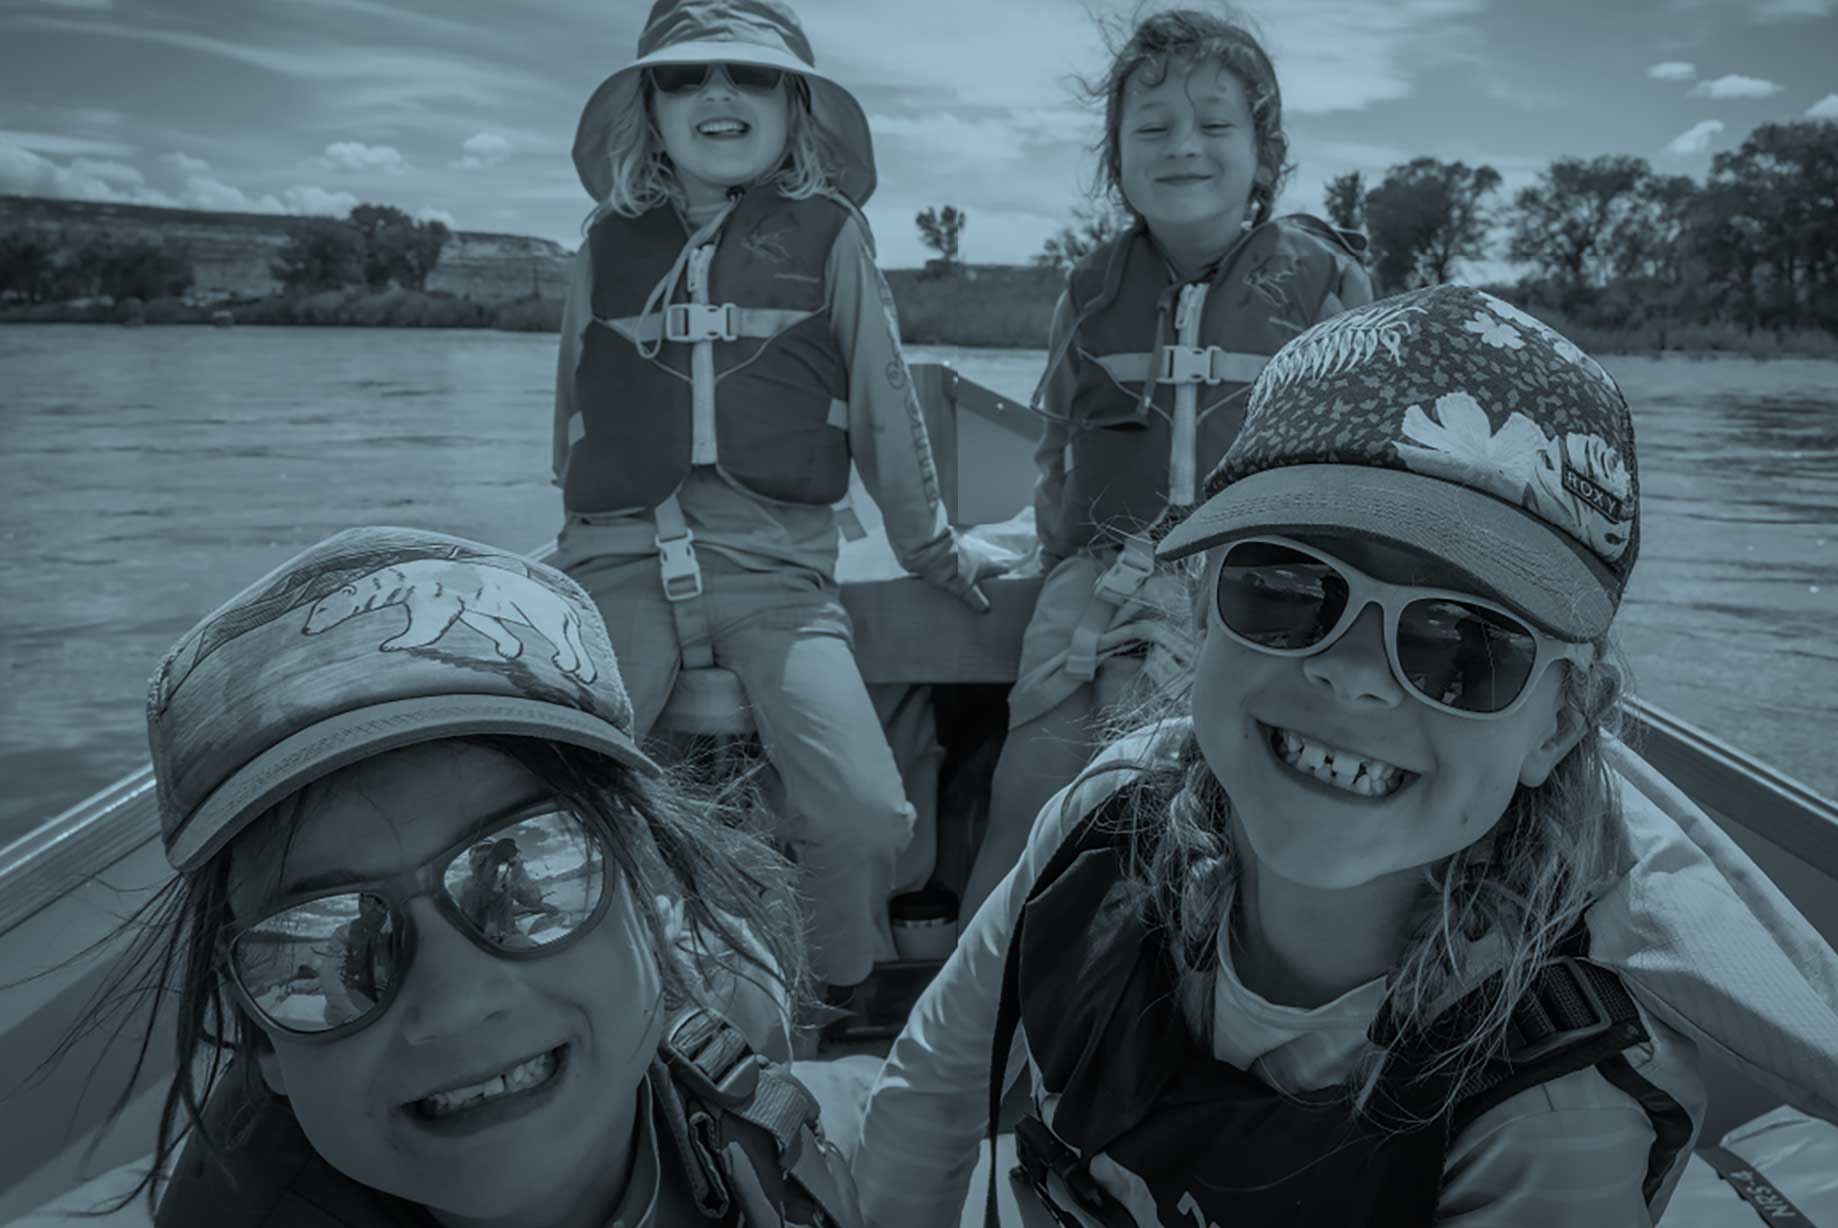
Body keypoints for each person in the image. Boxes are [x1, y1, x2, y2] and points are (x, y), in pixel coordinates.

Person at [853, 285, 1838, 1225]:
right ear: (1200, 611)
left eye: (1464, 645)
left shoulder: (1554, 1108)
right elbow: (931, 1097)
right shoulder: (1095, 821)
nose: (1356, 675)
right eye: (1284, 587)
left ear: (1557, 720)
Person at [84, 526, 862, 1227]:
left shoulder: (745, 1036)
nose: (454, 1004)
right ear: (260, 1043)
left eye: (531, 874)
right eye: (319, 944)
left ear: (653, 905)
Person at [554, 0, 1007, 997]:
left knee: (865, 816)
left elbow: (890, 413)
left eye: (749, 75)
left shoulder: (833, 236)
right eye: (686, 76)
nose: (718, 93)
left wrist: (937, 554)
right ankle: (627, 992)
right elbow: (574, 415)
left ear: (794, 106)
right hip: (620, 562)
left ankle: (823, 987)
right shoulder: (604, 244)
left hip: (778, 573)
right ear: (652, 107)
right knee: (563, 799)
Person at [959, 8, 1374, 923]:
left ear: (1264, 156)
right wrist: (1053, 552)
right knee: (1028, 786)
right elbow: (1055, 442)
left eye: (1215, 125)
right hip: (1097, 573)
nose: (1183, 147)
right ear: (1118, 162)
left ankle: (1159, 996)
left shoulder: (1325, 281)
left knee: (1176, 809)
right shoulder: (1092, 288)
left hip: (1257, 582)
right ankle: (976, 994)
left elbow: (1371, 465)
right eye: (1152, 129)